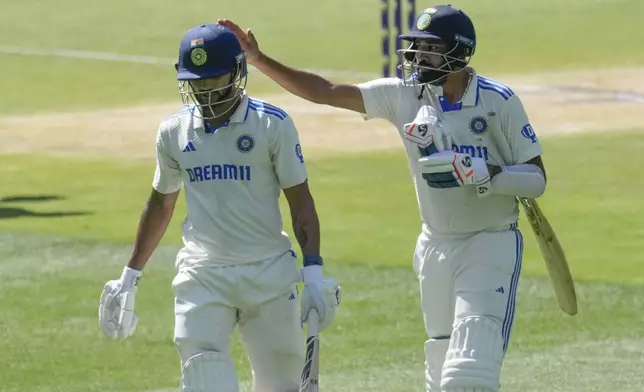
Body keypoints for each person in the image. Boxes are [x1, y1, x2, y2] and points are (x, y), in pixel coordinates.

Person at [218, 4, 546, 392]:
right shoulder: (403, 94)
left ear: (458, 52)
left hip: (489, 241)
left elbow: (536, 179)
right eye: (417, 47)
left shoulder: (498, 101)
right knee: (439, 371)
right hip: (434, 244)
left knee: (469, 374)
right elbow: (325, 92)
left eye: (430, 48)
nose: (418, 57)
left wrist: (489, 173)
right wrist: (258, 60)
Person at [97, 23, 341, 392]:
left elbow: (301, 202)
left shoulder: (272, 125)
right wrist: (129, 277)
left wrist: (313, 272)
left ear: (237, 72)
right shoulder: (173, 132)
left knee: (282, 386)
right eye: (197, 82)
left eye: (213, 79)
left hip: (269, 274)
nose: (205, 90)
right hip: (203, 274)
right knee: (205, 380)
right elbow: (161, 205)